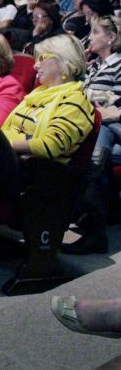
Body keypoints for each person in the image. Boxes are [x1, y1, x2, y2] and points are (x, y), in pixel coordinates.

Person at [0, 34, 94, 217]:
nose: (35, 65)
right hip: (14, 163)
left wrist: (1, 143)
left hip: (36, 175)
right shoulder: (39, 93)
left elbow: (50, 145)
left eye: (42, 58)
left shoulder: (75, 100)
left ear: (63, 61)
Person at [64, 16, 121, 254]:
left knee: (101, 131)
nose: (90, 36)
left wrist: (108, 112)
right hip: (97, 131)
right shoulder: (93, 66)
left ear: (111, 37)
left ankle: (93, 229)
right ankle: (90, 219)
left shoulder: (119, 66)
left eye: (96, 32)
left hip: (114, 129)